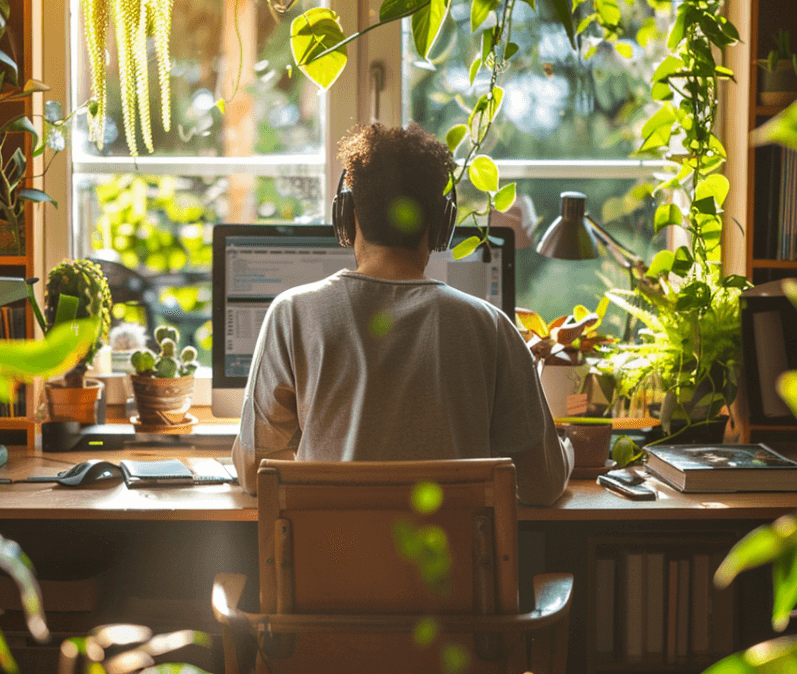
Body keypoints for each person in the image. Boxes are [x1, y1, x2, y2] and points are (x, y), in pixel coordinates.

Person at [231, 122, 573, 506]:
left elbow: (254, 471)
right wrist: (568, 450)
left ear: (347, 217)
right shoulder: (490, 326)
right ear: (440, 225)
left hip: (333, 562)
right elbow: (542, 485)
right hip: (452, 566)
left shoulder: (291, 315)